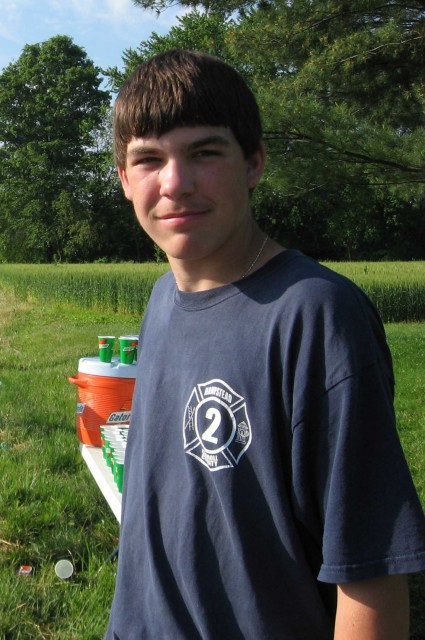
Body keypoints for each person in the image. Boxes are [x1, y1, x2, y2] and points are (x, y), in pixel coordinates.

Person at [105, 49, 425, 640]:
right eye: (149, 159)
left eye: (204, 153)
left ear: (253, 163)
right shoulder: (160, 302)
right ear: (125, 181)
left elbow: (372, 573)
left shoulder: (316, 316)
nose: (175, 182)